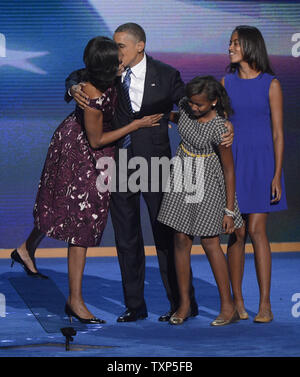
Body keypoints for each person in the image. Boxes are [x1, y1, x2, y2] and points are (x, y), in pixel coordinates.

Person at [65, 23, 234, 323]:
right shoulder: (109, 72)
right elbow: (78, 75)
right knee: (126, 236)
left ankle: (182, 302)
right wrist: (72, 87)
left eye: (121, 46)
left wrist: (222, 121)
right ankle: (135, 305)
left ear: (139, 46)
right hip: (117, 162)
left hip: (156, 162)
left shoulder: (167, 75)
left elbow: (194, 103)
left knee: (165, 235)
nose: (115, 52)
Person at [10, 36, 162, 324]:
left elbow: (77, 78)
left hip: (91, 148)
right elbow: (97, 140)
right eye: (116, 62)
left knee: (60, 211)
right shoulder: (90, 95)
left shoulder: (102, 79)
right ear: (104, 68)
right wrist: (135, 125)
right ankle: (75, 301)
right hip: (81, 153)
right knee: (82, 223)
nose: (121, 63)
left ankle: (25, 249)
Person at [157, 76, 243, 326]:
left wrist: (229, 210)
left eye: (200, 105)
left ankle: (228, 307)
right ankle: (184, 304)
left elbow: (229, 170)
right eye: (192, 103)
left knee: (210, 242)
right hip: (182, 174)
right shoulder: (185, 106)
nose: (194, 108)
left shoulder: (220, 128)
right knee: (181, 239)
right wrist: (167, 118)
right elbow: (176, 115)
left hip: (208, 181)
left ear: (214, 102)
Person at [222, 25, 288, 323]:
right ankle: (237, 302)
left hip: (262, 166)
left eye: (235, 43)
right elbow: (222, 128)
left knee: (257, 231)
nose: (230, 47)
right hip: (234, 165)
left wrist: (276, 174)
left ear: (250, 46)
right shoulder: (226, 83)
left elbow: (277, 134)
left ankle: (265, 305)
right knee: (236, 232)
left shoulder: (271, 84)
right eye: (231, 42)